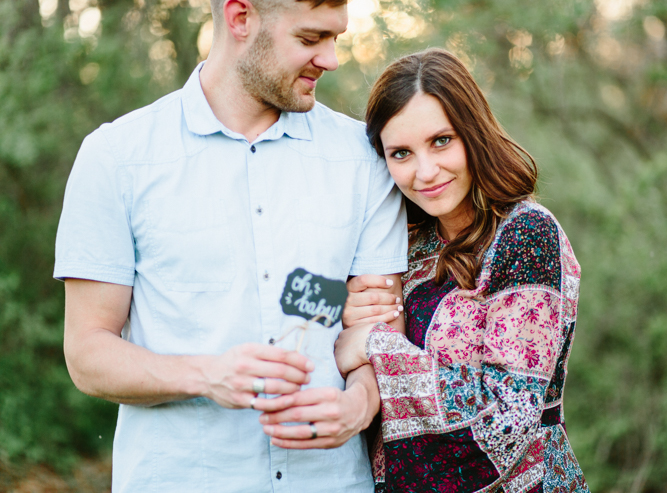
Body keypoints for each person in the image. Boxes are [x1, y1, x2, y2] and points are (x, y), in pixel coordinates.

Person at [54, 0, 407, 491]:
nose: (331, 59)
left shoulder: (364, 160)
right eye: (310, 39)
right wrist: (207, 375)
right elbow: (87, 354)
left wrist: (361, 404)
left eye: (336, 38)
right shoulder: (117, 159)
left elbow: (379, 329)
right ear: (241, 18)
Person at [335, 48, 590, 493]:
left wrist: (374, 346)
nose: (425, 172)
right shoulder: (405, 242)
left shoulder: (526, 235)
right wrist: (339, 304)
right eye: (401, 153)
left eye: (441, 141)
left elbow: (507, 420)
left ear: (473, 132)